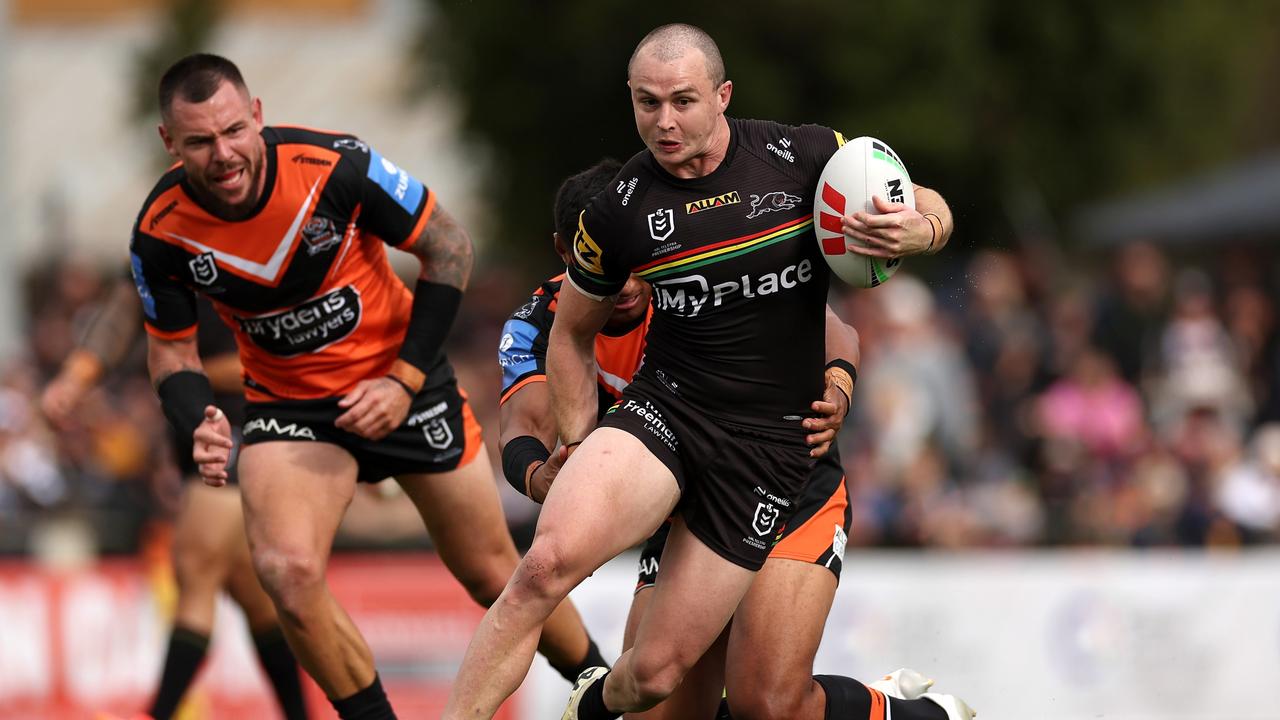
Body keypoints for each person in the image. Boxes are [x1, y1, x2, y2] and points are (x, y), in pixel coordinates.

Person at [444, 24, 972, 720]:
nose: (663, 122)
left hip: (772, 455)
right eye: (646, 103)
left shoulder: (801, 157)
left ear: (723, 96)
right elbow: (569, 335)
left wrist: (922, 229)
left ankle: (909, 712)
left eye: (683, 101)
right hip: (666, 417)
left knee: (728, 695)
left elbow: (927, 206)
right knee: (541, 567)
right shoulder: (620, 209)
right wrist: (574, 445)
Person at [127, 53, 605, 720]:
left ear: (258, 116)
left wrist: (404, 380)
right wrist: (196, 415)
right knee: (286, 574)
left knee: (493, 572)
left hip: (403, 380)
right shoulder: (160, 231)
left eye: (234, 131)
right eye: (200, 142)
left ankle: (602, 691)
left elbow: (450, 249)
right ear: (169, 143)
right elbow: (171, 354)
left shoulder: (334, 166)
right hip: (290, 407)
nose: (224, 155)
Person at [42, 282, 308, 720]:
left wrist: (182, 371)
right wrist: (74, 380)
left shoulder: (259, 244)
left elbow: (285, 355)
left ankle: (158, 714)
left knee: (195, 566)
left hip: (247, 429)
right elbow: (121, 316)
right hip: (203, 438)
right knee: (254, 597)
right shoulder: (161, 244)